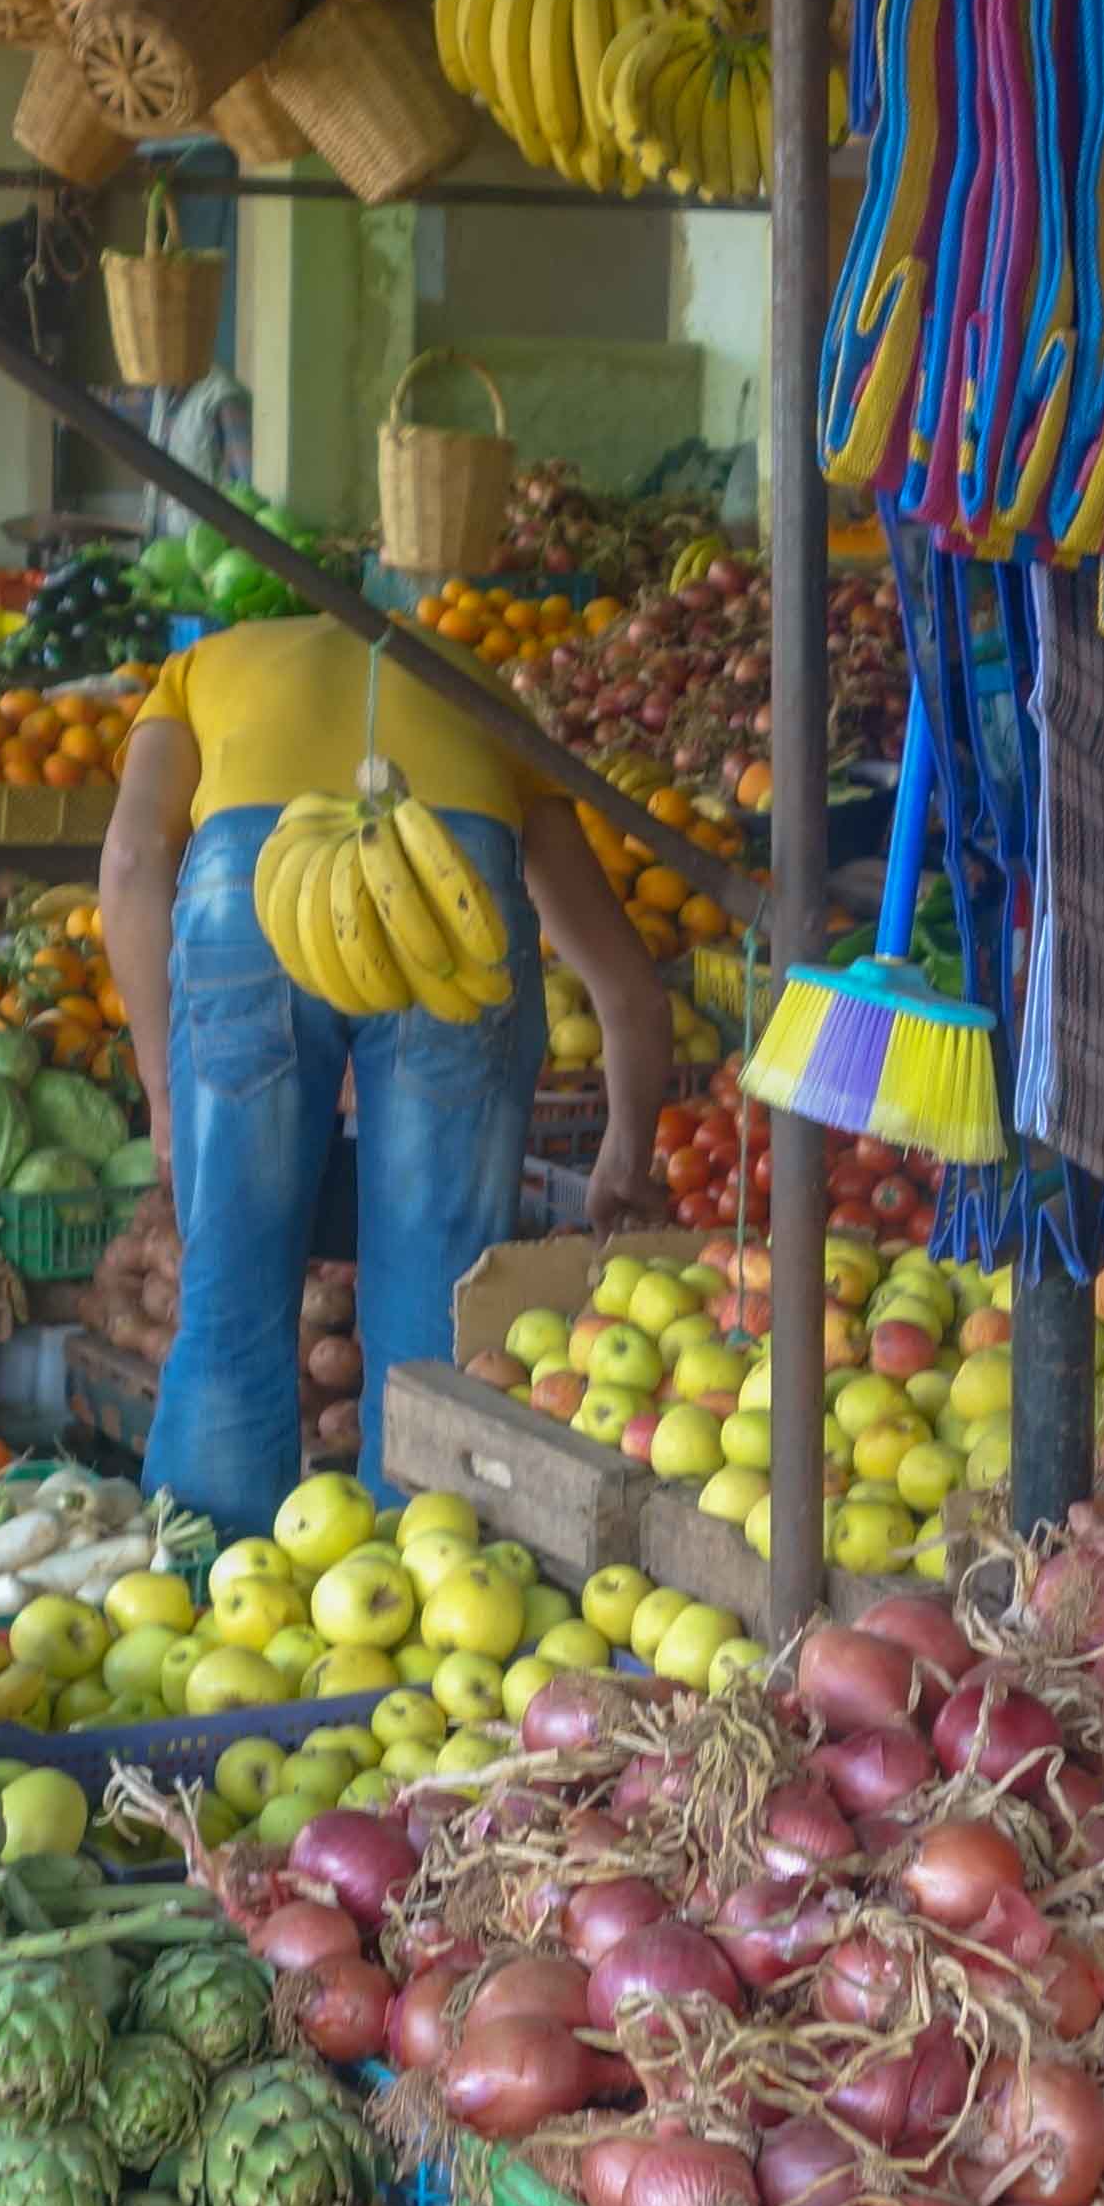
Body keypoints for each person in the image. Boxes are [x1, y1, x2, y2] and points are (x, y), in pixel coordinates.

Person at [97, 614, 668, 1531]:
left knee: (227, 1305)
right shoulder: (477, 683)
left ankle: (203, 1603)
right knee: (433, 1328)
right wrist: (625, 1152)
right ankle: (425, 1601)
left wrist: (163, 1092)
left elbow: (130, 863)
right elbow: (626, 987)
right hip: (453, 897)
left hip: (246, 898)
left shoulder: (199, 669)